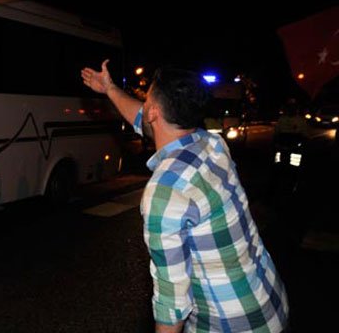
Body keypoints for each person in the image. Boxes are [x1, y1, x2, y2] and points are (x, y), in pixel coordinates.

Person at [81, 60, 289, 332]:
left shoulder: (166, 190)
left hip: (230, 324)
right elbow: (145, 119)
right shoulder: (212, 143)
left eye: (147, 100)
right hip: (270, 303)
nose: (143, 105)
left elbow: (172, 301)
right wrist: (109, 88)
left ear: (154, 111)